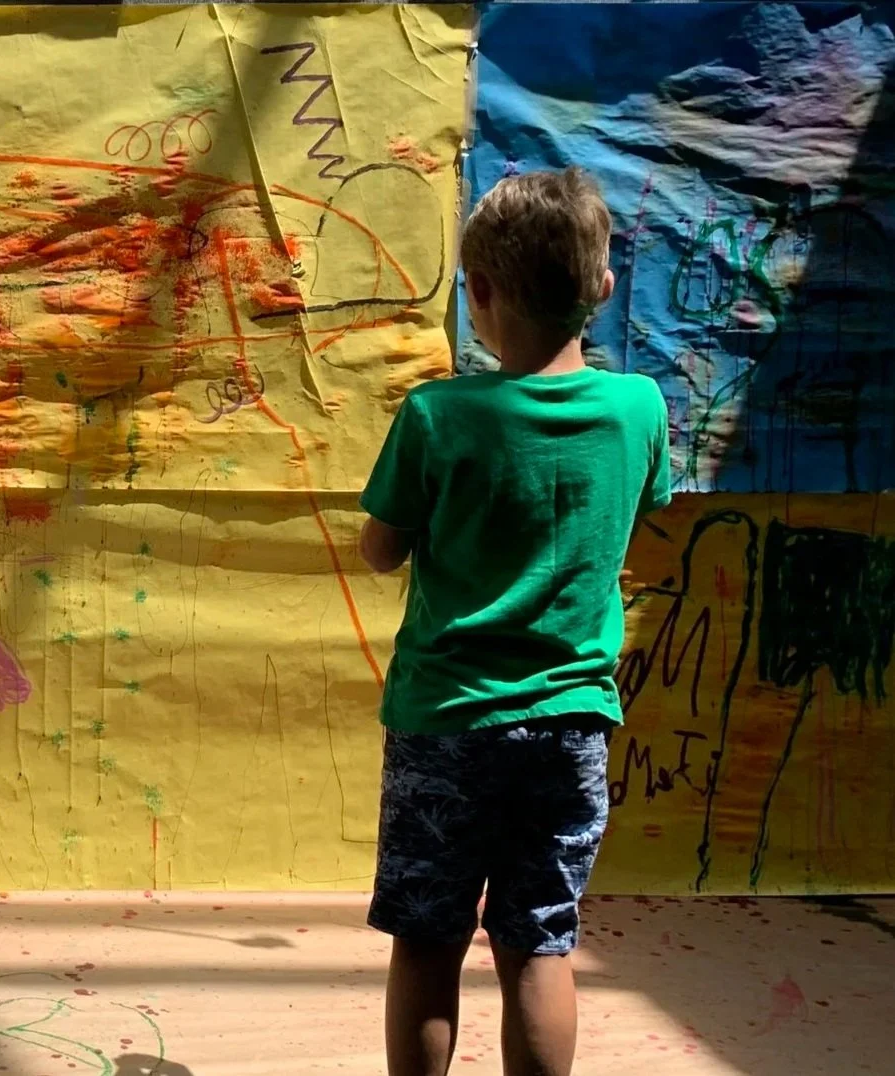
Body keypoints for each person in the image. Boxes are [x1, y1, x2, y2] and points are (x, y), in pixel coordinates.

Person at [358, 168, 671, 1076]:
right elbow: (631, 512)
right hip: (571, 722)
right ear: (602, 289)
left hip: (447, 721)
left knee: (427, 939)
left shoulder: (436, 415)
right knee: (539, 943)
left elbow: (382, 551)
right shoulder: (639, 408)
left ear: (480, 293)